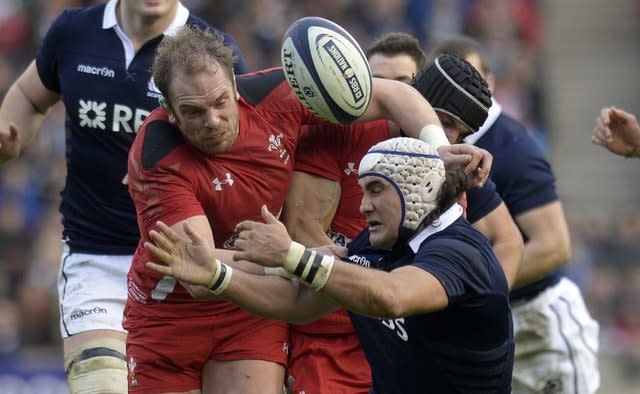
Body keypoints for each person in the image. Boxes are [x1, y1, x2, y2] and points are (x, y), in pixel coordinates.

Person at [124, 24, 490, 393]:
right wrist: (291, 256)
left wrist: (434, 148)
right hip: (171, 314)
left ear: (235, 86)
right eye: (194, 111)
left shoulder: (275, 96)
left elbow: (395, 95)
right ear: (169, 111)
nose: (213, 120)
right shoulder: (157, 156)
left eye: (220, 102)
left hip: (255, 304)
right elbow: (198, 273)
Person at [0, 1, 247, 393]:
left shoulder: (212, 50)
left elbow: (244, 156)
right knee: (100, 383)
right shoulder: (74, 33)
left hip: (180, 267)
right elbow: (31, 97)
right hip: (94, 258)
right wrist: (10, 138)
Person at [143, 137, 515, 394]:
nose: (362, 207)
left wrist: (291, 254)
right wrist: (217, 275)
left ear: (415, 188)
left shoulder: (460, 252)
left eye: (375, 190)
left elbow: (392, 296)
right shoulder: (379, 243)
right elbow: (300, 302)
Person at [282, 34, 522, 393]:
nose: (450, 136)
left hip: (396, 328)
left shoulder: (452, 167)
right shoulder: (342, 129)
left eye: (462, 132)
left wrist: (453, 304)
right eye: (443, 121)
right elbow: (301, 227)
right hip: (330, 327)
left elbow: (508, 242)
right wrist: (365, 282)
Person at [431, 35, 600, 393]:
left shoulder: (511, 146)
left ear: (490, 84)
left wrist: (471, 290)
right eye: (447, 81)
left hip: (538, 323)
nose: (459, 93)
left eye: (471, 79)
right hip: (488, 328)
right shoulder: (432, 143)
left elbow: (554, 247)